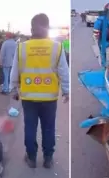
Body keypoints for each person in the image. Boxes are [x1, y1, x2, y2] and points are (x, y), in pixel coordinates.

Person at [10, 13, 69, 168]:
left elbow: (15, 70)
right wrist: (67, 90)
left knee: (30, 127)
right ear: (47, 28)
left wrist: (13, 88)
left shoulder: (22, 47)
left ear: (31, 29)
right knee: (48, 128)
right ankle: (48, 158)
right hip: (49, 98)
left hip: (29, 97)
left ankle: (31, 158)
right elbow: (64, 70)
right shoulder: (56, 47)